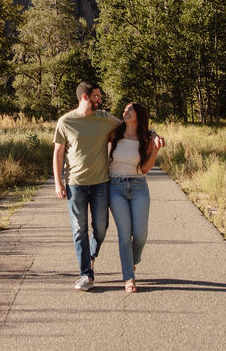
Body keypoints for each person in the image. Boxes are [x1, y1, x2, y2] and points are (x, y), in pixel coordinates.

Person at [53, 81, 162, 291]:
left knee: (101, 228)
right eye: (96, 96)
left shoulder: (105, 120)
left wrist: (154, 135)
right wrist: (58, 182)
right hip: (75, 184)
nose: (100, 100)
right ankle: (86, 274)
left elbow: (135, 128)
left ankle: (93, 253)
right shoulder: (65, 122)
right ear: (85, 97)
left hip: (102, 182)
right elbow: (58, 152)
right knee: (79, 230)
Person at [108, 101, 159, 293]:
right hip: (116, 186)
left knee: (140, 234)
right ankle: (129, 277)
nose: (125, 111)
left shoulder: (146, 138)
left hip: (138, 186)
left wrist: (155, 149)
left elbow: (145, 168)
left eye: (130, 109)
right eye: (125, 109)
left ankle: (133, 260)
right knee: (124, 234)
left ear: (139, 114)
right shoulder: (114, 133)